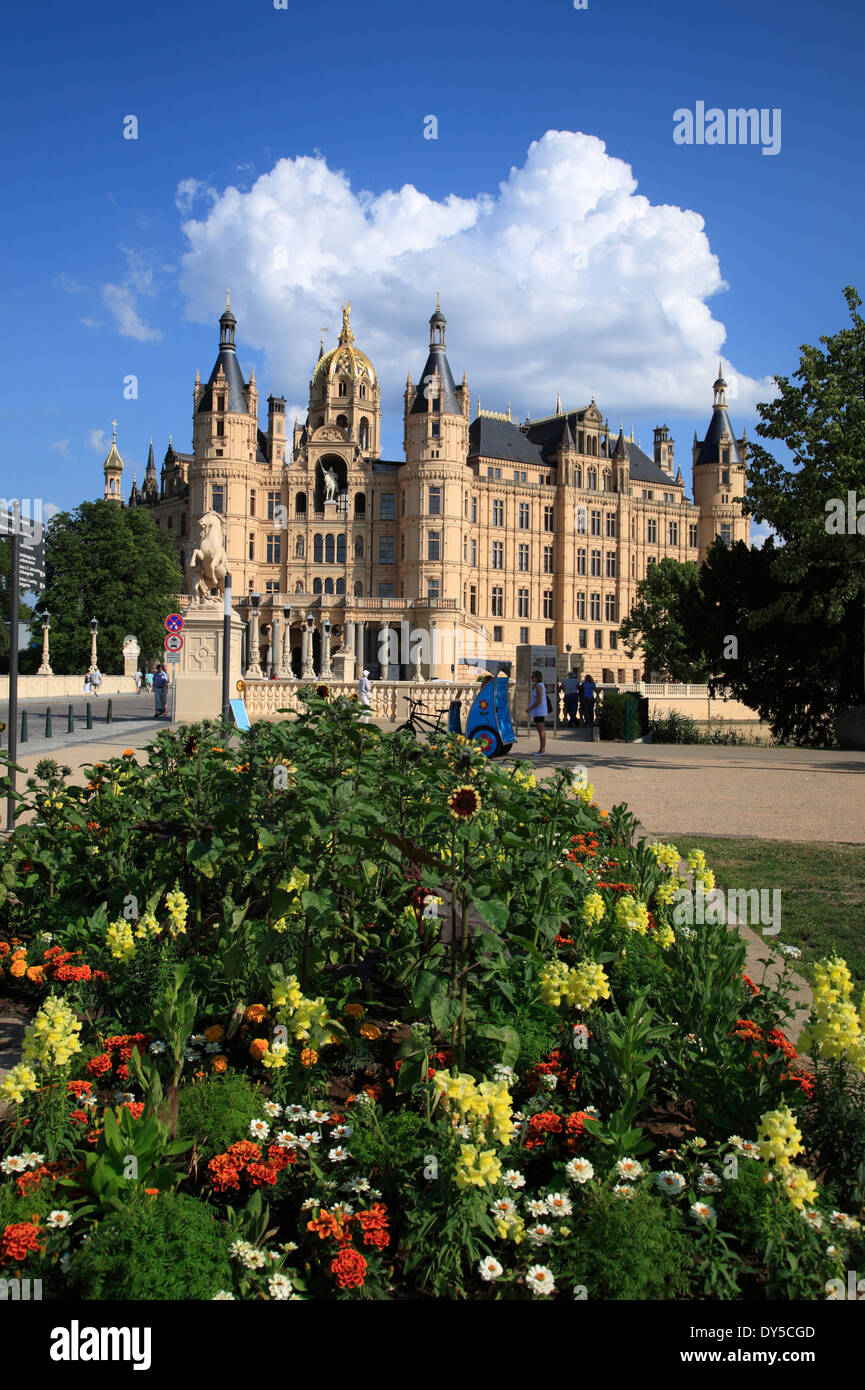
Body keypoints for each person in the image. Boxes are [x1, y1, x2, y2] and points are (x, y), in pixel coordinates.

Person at [526, 669, 549, 755]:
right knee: (540, 730)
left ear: (537, 677)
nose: (532, 678)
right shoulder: (539, 685)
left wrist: (530, 708)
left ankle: (542, 749)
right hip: (538, 711)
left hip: (539, 711)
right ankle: (541, 749)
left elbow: (539, 700)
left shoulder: (539, 686)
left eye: (533, 676)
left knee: (541, 730)